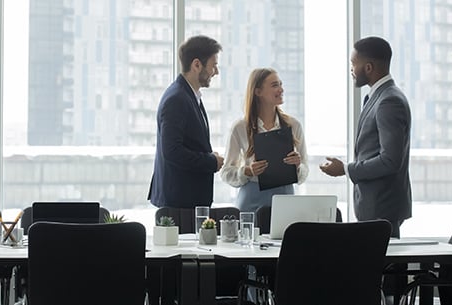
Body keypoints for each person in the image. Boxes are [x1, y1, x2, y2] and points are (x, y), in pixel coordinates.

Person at [319, 36, 411, 304]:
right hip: (376, 205)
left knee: (381, 281)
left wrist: (346, 170)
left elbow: (390, 160)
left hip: (383, 207)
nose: (351, 68)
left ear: (368, 67)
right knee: (373, 280)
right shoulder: (380, 97)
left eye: (353, 63)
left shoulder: (388, 101)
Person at [148, 35, 225, 209]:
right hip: (180, 203)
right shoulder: (177, 99)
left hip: (186, 200)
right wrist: (211, 161)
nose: (216, 72)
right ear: (197, 65)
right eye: (214, 65)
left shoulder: (188, 96)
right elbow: (172, 151)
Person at [220, 68, 308, 213]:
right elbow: (226, 173)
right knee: (249, 236)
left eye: (281, 84)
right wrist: (248, 171)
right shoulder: (240, 127)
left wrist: (297, 166)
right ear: (258, 91)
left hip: (284, 199)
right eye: (275, 85)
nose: (281, 89)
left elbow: (305, 171)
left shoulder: (294, 125)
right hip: (251, 200)